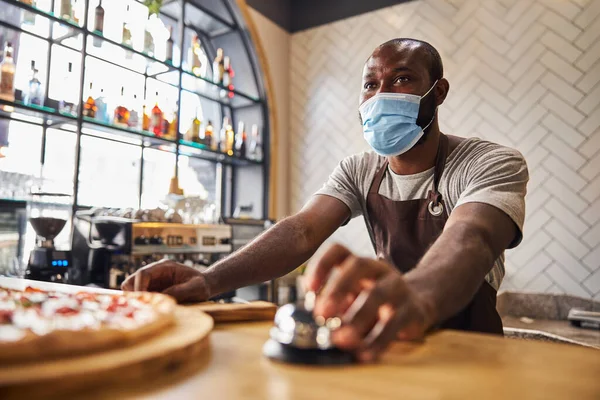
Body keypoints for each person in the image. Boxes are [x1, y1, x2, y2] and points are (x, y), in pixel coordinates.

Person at [122, 38, 528, 362]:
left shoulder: (490, 162)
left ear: (437, 93)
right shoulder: (359, 170)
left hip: (472, 350)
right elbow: (300, 231)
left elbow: (472, 237)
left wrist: (417, 298)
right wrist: (207, 279)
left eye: (402, 80)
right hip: (389, 345)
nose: (381, 94)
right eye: (371, 84)